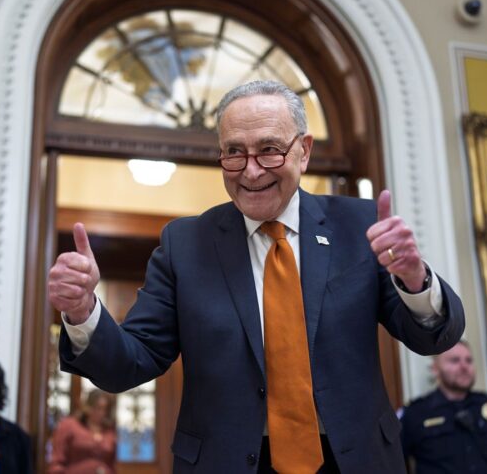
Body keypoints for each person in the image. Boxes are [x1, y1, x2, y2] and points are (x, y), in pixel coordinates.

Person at [48, 80, 465, 472]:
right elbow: (131, 362)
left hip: (353, 459)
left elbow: (431, 338)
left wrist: (415, 280)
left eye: (269, 150)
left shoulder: (358, 226)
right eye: (234, 152)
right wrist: (84, 311)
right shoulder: (186, 244)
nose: (250, 171)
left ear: (303, 150)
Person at [399, 341, 487, 474]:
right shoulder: (416, 412)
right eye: (455, 360)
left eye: (469, 360)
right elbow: (391, 459)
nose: (464, 366)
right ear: (435, 369)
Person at [48, 389, 117, 474]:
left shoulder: (109, 432)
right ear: (87, 406)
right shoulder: (69, 425)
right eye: (97, 408)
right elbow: (57, 461)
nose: (101, 413)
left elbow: (111, 464)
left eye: (104, 409)